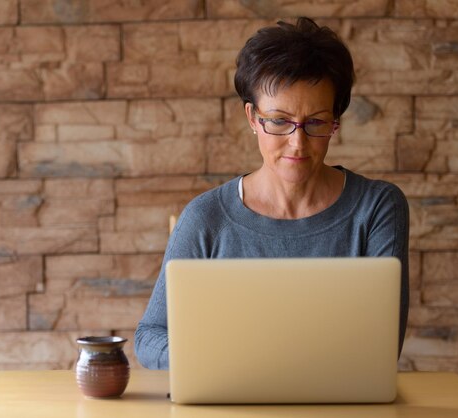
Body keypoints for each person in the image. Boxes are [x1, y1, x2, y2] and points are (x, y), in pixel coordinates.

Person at [134, 17, 409, 370]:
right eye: (279, 121)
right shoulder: (206, 217)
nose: (298, 143)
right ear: (252, 117)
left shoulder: (377, 208)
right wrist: (228, 360)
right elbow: (150, 337)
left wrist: (261, 358)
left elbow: (382, 345)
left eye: (316, 122)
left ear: (335, 120)